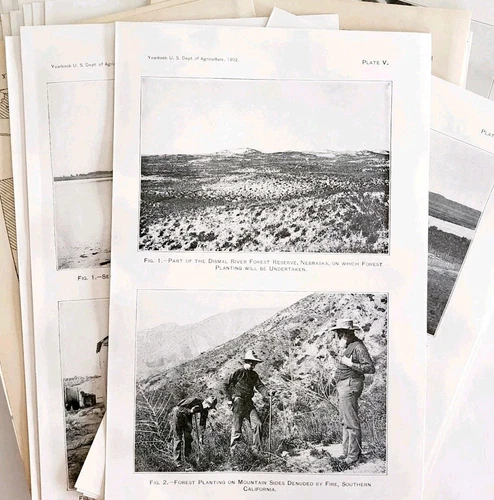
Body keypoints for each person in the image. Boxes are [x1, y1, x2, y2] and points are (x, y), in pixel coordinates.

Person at [330, 319, 375, 465]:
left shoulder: (358, 347)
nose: (338, 336)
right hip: (344, 385)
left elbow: (370, 368)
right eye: (338, 333)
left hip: (350, 385)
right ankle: (347, 453)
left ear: (347, 333)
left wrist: (350, 364)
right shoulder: (349, 346)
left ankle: (354, 456)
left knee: (351, 422)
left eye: (340, 333)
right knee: (345, 421)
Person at [223, 349, 271, 451]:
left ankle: (256, 450)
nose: (254, 365)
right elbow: (225, 384)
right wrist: (229, 399)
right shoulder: (238, 373)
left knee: (258, 424)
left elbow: (260, 386)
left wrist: (267, 393)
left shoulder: (254, 375)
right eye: (252, 363)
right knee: (237, 428)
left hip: (249, 403)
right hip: (238, 402)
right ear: (247, 361)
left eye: (255, 363)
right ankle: (235, 452)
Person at [170, 395, 217, 463]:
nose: (208, 408)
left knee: (188, 438)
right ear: (205, 402)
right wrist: (190, 411)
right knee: (178, 439)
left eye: (210, 408)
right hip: (178, 416)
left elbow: (202, 423)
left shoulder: (205, 410)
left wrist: (201, 436)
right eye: (209, 406)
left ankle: (188, 459)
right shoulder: (194, 400)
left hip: (187, 418)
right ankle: (177, 461)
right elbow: (178, 408)